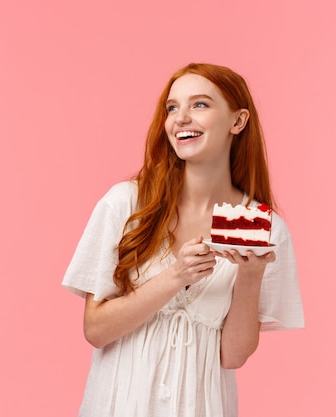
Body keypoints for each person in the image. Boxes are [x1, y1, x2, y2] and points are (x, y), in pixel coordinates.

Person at [62, 62, 304, 417]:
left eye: (200, 105)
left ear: (237, 122)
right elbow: (96, 330)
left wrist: (250, 277)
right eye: (172, 107)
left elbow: (233, 356)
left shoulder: (264, 228)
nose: (181, 118)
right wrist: (176, 277)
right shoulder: (127, 204)